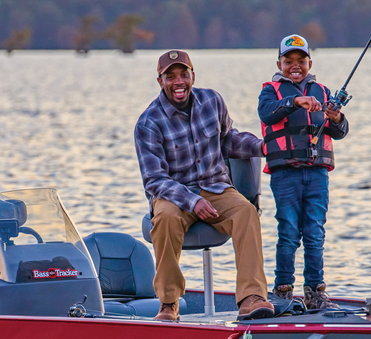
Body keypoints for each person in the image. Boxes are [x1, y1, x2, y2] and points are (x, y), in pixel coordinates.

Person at [135, 50, 274, 322]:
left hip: (216, 186)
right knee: (164, 218)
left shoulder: (213, 101)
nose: (179, 82)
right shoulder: (148, 122)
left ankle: (251, 298)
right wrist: (192, 202)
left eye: (184, 74)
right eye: (170, 76)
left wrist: (263, 146)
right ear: (160, 81)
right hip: (173, 194)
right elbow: (154, 180)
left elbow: (229, 140)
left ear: (193, 76)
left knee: (247, 212)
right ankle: (168, 303)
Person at [258, 34, 349, 310]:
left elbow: (340, 132)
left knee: (314, 233)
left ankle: (315, 292)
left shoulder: (323, 92)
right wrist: (295, 102)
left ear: (309, 62)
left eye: (301, 60)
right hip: (285, 174)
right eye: (289, 61)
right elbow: (266, 114)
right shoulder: (270, 91)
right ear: (279, 63)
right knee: (288, 232)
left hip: (317, 175)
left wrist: (337, 118)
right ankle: (283, 290)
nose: (295, 66)